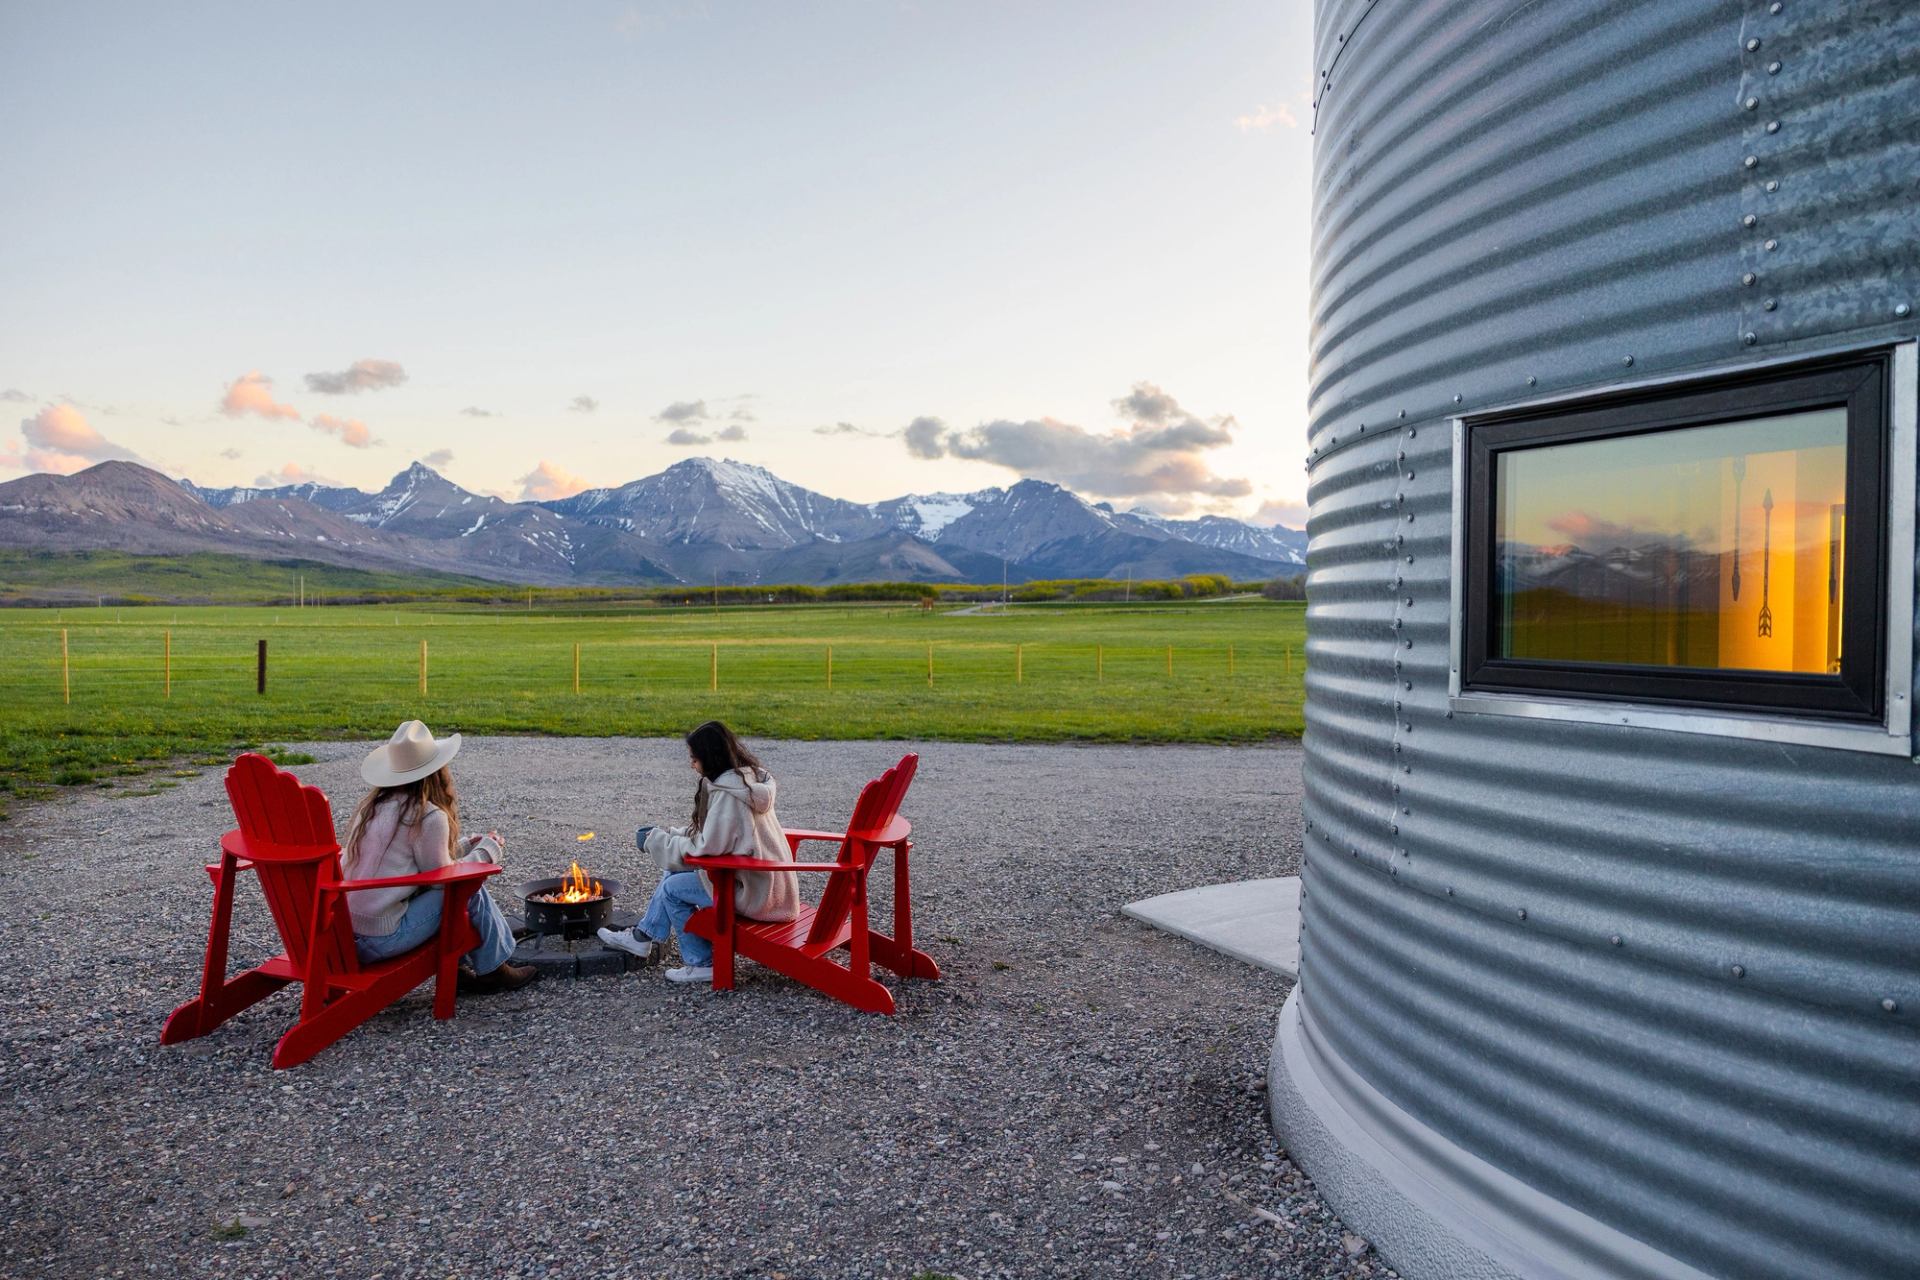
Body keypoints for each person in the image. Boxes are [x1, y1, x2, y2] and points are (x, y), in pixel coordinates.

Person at [343, 720, 540, 993]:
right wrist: (488, 850)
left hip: (348, 935)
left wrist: (463, 846)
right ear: (436, 772)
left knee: (460, 885)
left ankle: (466, 964)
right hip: (382, 939)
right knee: (468, 889)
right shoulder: (428, 815)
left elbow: (416, 864)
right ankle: (494, 968)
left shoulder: (373, 809)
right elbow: (442, 880)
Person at [599, 721, 799, 984]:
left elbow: (707, 849)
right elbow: (719, 838)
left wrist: (655, 842)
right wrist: (671, 834)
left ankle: (700, 963)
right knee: (674, 870)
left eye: (695, 758)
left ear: (710, 757)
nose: (692, 764)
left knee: (672, 888)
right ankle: (642, 938)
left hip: (754, 894)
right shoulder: (747, 780)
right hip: (769, 886)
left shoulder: (729, 796)